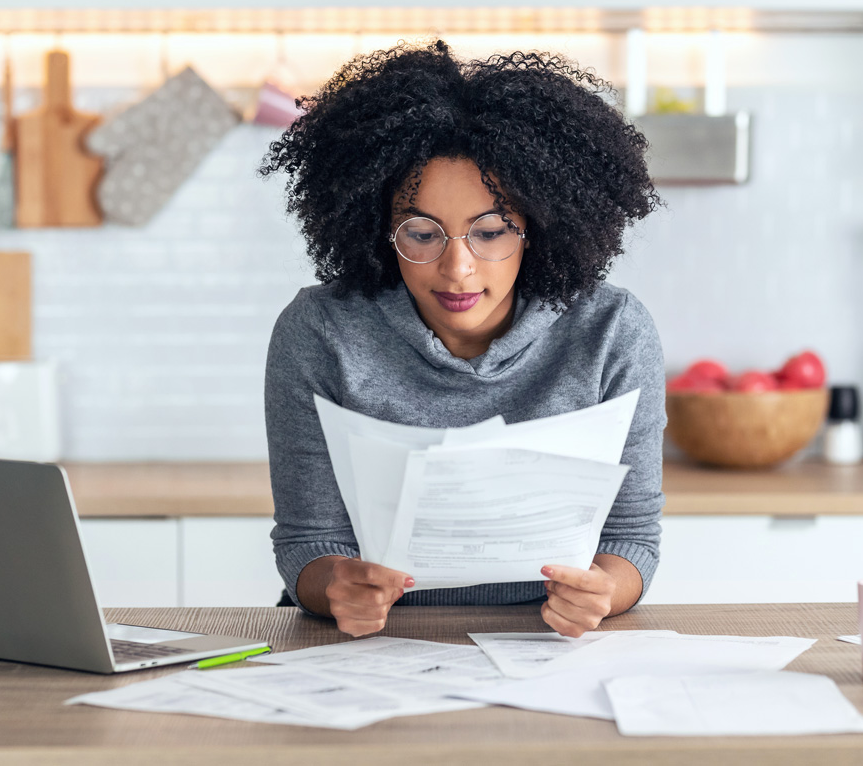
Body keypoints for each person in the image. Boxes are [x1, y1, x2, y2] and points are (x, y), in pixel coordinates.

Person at [260, 40, 665, 638]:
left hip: (546, 644)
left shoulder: (612, 332)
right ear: (375, 227)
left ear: (539, 227)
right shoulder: (321, 332)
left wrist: (603, 591)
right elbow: (307, 542)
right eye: (421, 233)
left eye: (492, 231)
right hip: (372, 648)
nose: (457, 270)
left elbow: (631, 539)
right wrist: (336, 587)